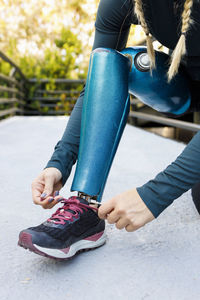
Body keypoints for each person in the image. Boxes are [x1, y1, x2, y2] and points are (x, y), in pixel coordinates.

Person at [18, 0, 200, 260]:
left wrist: (154, 195)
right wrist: (58, 164)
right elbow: (96, 83)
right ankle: (85, 206)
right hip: (181, 91)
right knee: (120, 60)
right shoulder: (120, 3)